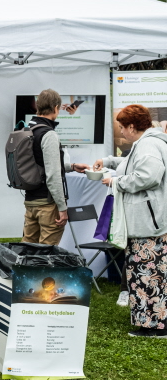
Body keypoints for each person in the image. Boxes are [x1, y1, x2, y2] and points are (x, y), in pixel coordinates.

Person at [93, 104, 167, 338]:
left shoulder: (148, 145)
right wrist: (109, 162)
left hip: (148, 222)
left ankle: (154, 327)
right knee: (147, 271)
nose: (122, 132)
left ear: (132, 126)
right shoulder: (148, 143)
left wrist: (117, 182)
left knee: (148, 273)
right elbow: (130, 163)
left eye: (122, 127)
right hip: (149, 219)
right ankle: (152, 322)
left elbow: (148, 175)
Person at [21, 89, 88, 245]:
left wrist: (71, 166)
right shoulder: (48, 134)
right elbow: (52, 175)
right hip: (47, 203)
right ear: (56, 108)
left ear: (38, 107)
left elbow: (39, 164)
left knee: (27, 251)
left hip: (31, 201)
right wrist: (62, 208)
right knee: (46, 255)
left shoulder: (27, 129)